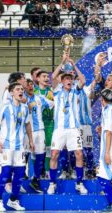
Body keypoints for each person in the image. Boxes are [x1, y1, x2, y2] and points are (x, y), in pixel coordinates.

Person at [47, 56, 88, 195]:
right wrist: (62, 63)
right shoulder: (57, 91)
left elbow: (83, 80)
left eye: (70, 78)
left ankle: (79, 183)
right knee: (54, 154)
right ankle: (52, 183)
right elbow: (52, 77)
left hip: (73, 129)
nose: (69, 80)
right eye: (66, 78)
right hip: (59, 129)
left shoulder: (76, 90)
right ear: (62, 81)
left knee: (79, 154)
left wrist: (74, 65)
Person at [0, 82, 34, 212]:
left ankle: (13, 200)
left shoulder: (25, 108)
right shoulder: (4, 106)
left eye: (22, 89)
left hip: (19, 146)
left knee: (20, 173)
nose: (21, 91)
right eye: (17, 89)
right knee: (6, 171)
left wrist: (31, 140)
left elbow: (27, 125)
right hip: (6, 145)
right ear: (11, 93)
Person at [25, 79, 54, 192]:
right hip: (27, 131)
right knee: (25, 154)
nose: (31, 86)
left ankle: (35, 179)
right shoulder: (21, 99)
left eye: (32, 84)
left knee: (40, 155)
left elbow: (53, 103)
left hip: (40, 130)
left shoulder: (39, 98)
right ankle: (19, 178)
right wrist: (28, 106)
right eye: (28, 85)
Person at [97, 89, 112, 213]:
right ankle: (111, 204)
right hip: (110, 147)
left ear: (102, 100)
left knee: (103, 177)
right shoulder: (111, 109)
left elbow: (109, 133)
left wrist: (107, 153)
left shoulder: (109, 111)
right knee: (103, 177)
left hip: (110, 149)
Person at [34, 70, 54, 179]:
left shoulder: (51, 92)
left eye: (47, 76)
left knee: (48, 149)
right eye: (44, 76)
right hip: (37, 125)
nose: (47, 78)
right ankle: (35, 174)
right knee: (35, 150)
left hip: (50, 123)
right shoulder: (34, 92)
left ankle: (47, 172)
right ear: (37, 79)